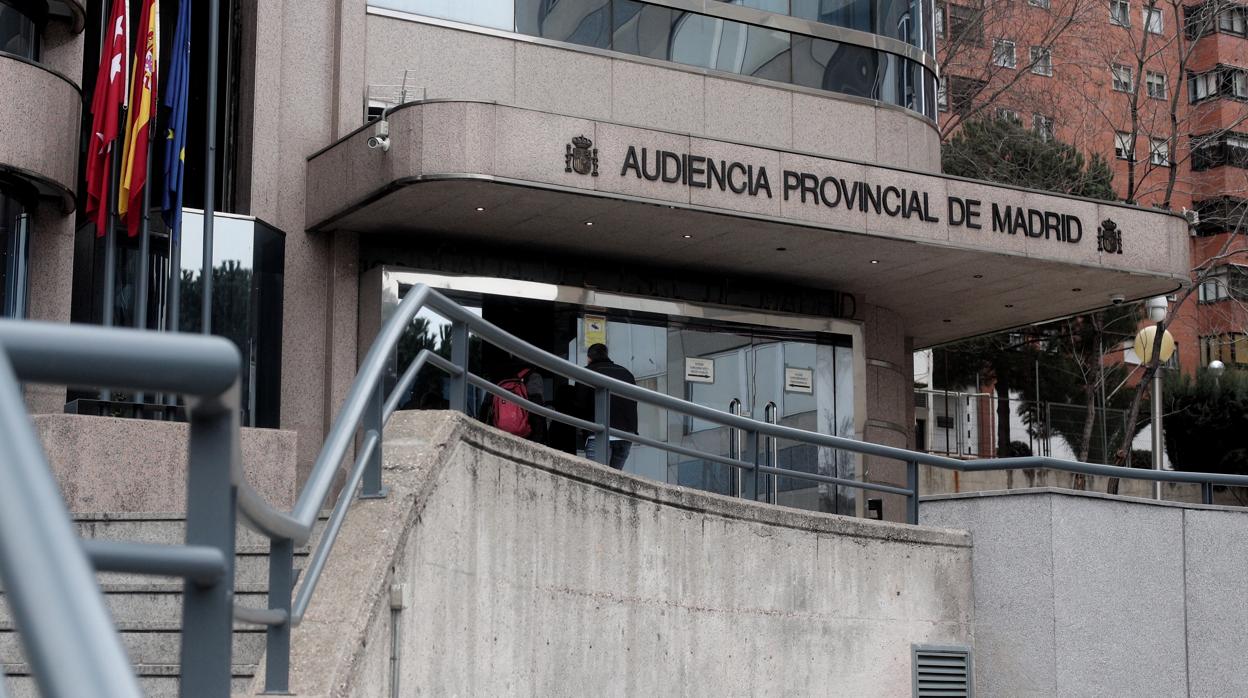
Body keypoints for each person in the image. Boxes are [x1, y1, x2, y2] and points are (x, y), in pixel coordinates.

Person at [581, 343, 638, 470]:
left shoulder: (587, 373)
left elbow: (579, 404)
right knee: (613, 482)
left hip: (598, 434)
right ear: (606, 355)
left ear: (589, 358)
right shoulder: (626, 373)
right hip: (625, 435)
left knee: (595, 480)